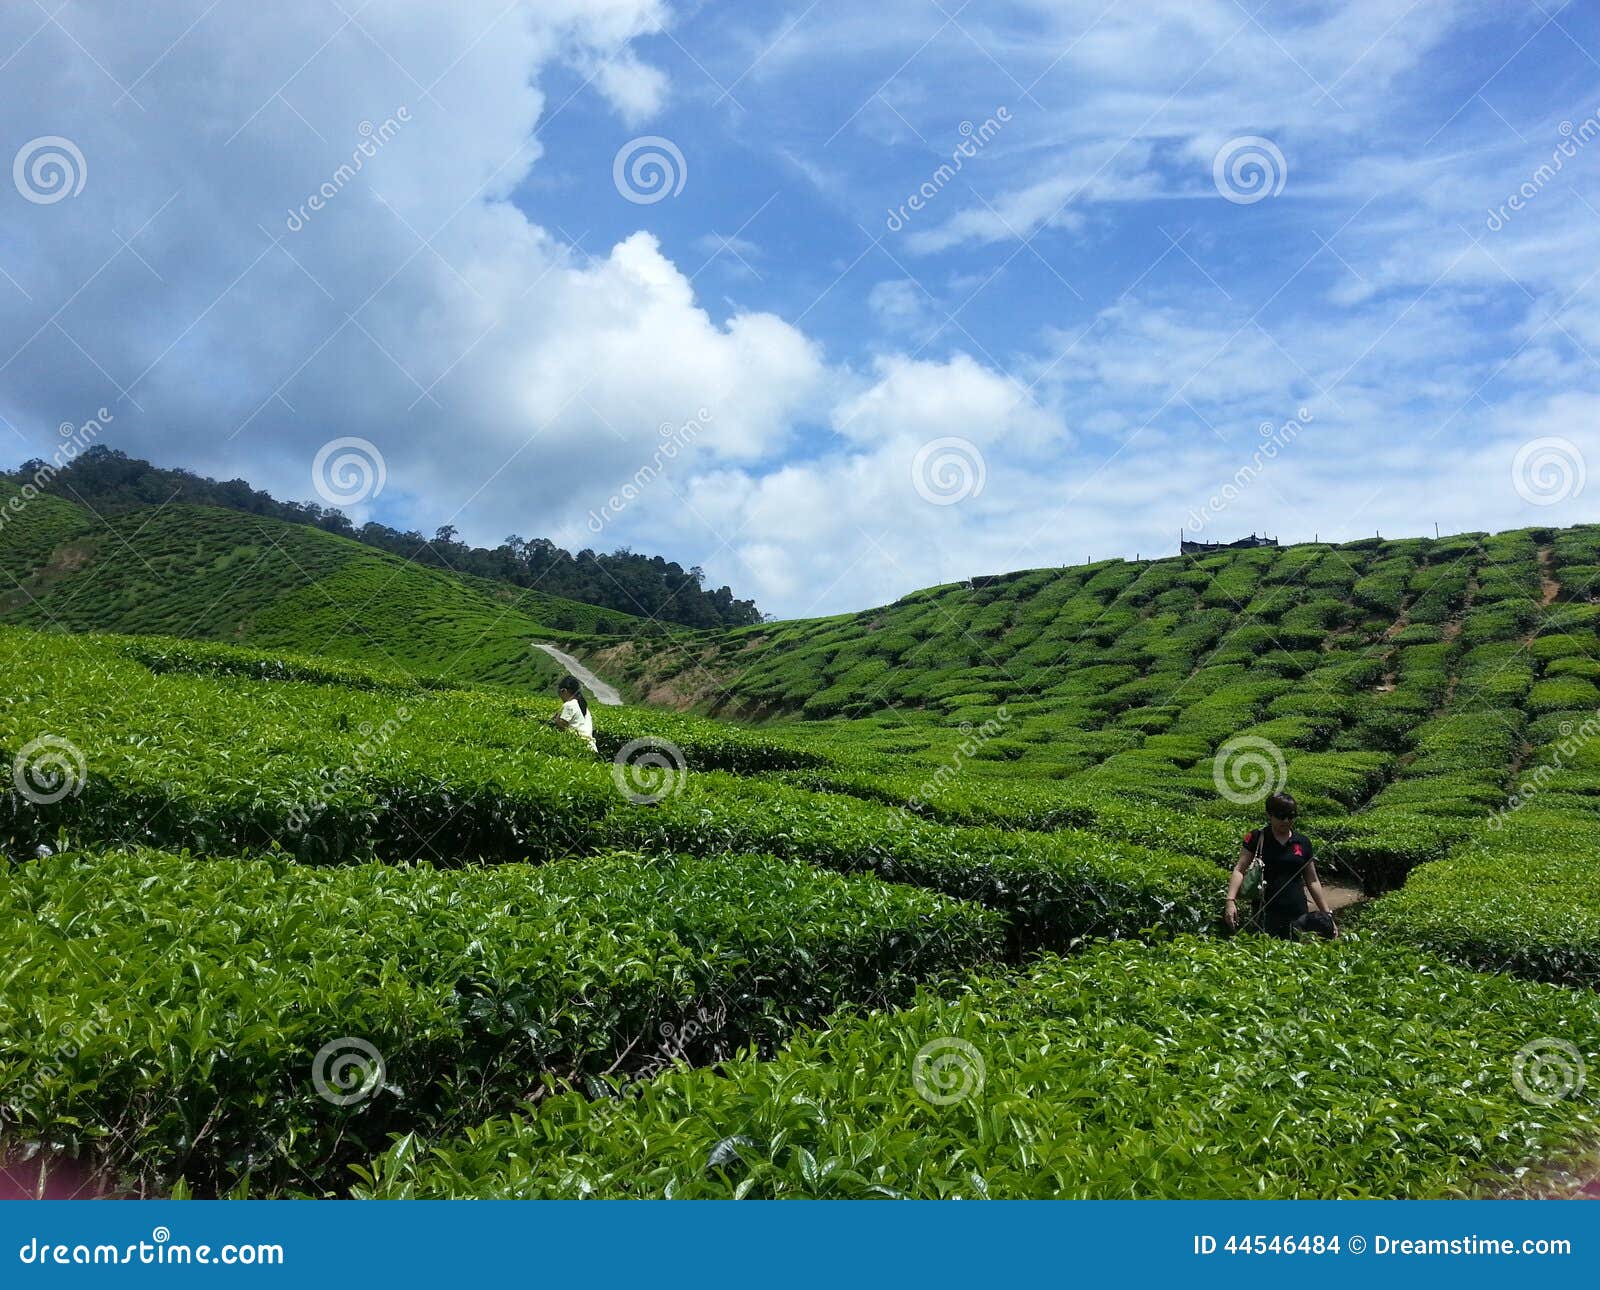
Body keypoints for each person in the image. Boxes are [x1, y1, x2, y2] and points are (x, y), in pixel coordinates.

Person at [1224, 791, 1338, 939]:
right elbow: (1240, 869)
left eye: (1291, 816)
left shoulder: (1302, 842)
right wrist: (1230, 901)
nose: (1286, 821)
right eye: (1281, 816)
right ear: (1269, 815)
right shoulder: (1257, 837)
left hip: (1298, 913)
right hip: (1265, 912)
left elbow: (1312, 880)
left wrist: (1327, 915)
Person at [550, 674, 597, 754]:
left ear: (564, 691)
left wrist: (556, 718)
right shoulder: (582, 704)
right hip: (591, 747)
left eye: (559, 692)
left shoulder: (569, 705)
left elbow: (562, 726)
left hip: (580, 748)